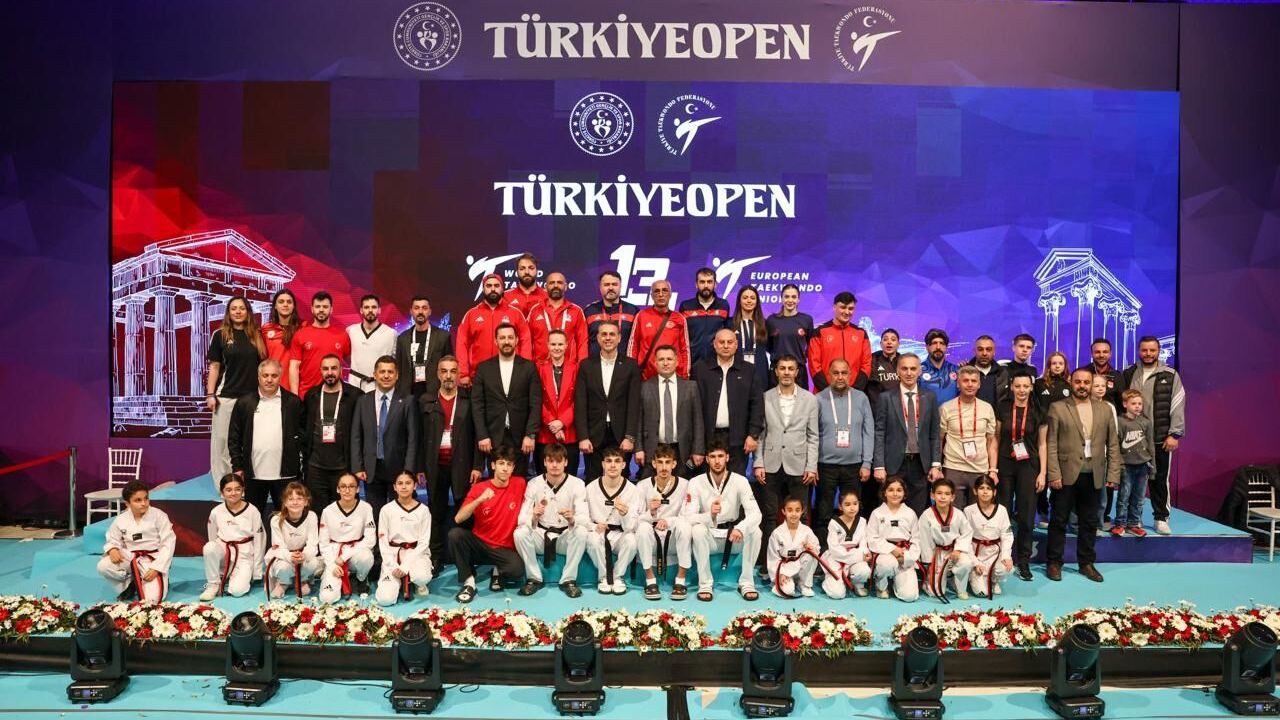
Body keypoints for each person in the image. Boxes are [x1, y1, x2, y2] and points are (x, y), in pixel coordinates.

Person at [1045, 368, 1121, 583]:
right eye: (1078, 381)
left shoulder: (1105, 409)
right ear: (1071, 382)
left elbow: (1113, 444)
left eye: (1086, 382)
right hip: (1065, 474)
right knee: (1058, 520)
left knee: (1089, 522)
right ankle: (1054, 562)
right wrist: (1054, 473)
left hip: (1094, 473)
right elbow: (1051, 443)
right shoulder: (1058, 408)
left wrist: (1113, 473)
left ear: (1092, 384)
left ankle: (1086, 563)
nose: (1082, 386)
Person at [754, 354, 819, 565]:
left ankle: (802, 562)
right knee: (769, 515)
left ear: (797, 372)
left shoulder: (809, 399)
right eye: (782, 368)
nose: (786, 372)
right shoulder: (765, 397)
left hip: (799, 465)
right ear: (776, 371)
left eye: (791, 368)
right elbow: (760, 433)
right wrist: (758, 462)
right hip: (770, 463)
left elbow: (813, 436)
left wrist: (811, 466)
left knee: (801, 515)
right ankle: (768, 563)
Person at [419, 356, 482, 568]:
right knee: (435, 513)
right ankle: (435, 557)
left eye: (453, 371)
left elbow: (478, 434)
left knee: (465, 512)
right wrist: (419, 468)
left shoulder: (468, 399)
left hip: (462, 466)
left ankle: (467, 558)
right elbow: (419, 436)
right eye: (444, 371)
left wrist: (477, 466)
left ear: (459, 374)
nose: (448, 376)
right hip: (435, 466)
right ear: (438, 374)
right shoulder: (426, 400)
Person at [682, 441, 763, 602]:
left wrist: (741, 528)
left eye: (720, 456)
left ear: (727, 458)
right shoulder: (696, 482)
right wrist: (709, 515)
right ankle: (705, 583)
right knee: (697, 530)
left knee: (755, 531)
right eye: (712, 457)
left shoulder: (740, 481)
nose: (717, 461)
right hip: (709, 537)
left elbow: (756, 513)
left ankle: (746, 582)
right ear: (707, 459)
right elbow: (688, 517)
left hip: (733, 536)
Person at [1122, 336, 1185, 536]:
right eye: (1144, 350)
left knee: (1158, 480)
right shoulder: (1129, 373)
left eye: (1152, 350)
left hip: (1160, 438)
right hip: (1133, 439)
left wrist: (1174, 434)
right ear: (1139, 351)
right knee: (1131, 482)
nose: (1148, 354)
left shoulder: (1170, 374)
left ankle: (1161, 518)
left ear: (1158, 351)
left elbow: (1177, 404)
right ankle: (1134, 518)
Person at [228, 359, 305, 518]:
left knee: (288, 521)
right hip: (254, 476)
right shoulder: (244, 402)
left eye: (274, 376)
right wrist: (238, 466)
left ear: (280, 377)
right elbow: (234, 437)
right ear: (259, 377)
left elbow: (304, 436)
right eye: (265, 375)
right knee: (251, 521)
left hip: (286, 476)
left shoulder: (293, 402)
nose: (269, 379)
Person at [450, 445, 527, 603]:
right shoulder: (480, 488)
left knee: (517, 571)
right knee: (455, 535)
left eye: (509, 464)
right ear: (493, 465)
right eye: (501, 463)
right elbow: (458, 519)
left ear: (513, 468)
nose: (505, 468)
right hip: (480, 544)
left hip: (504, 547)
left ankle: (497, 571)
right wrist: (479, 500)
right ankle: (469, 581)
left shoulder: (520, 484)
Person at [513, 442, 589, 598]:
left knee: (581, 531)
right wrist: (533, 516)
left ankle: (568, 580)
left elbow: (585, 519)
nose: (554, 465)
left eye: (559, 461)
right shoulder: (534, 484)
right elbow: (521, 519)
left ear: (566, 462)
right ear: (544, 462)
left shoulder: (577, 484)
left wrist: (572, 519)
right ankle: (534, 578)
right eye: (551, 461)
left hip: (565, 538)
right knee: (519, 533)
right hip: (541, 536)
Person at [873, 353, 944, 514]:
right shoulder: (885, 397)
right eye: (904, 369)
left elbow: (934, 433)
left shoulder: (930, 397)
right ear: (898, 371)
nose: (909, 373)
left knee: (918, 512)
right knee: (890, 512)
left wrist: (935, 464)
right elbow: (879, 433)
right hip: (893, 464)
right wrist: (879, 465)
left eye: (913, 368)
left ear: (920, 371)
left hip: (921, 464)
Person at [207, 296, 268, 483]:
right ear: (228, 312)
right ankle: (224, 484)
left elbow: (263, 366)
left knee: (249, 442)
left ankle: (247, 483)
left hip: (251, 399)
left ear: (248, 312)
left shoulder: (257, 335)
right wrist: (210, 394)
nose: (238, 312)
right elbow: (214, 367)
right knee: (222, 442)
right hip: (226, 397)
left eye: (242, 308)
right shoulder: (220, 335)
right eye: (234, 308)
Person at [351, 356, 418, 517]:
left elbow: (413, 439)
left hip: (399, 471)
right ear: (375, 374)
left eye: (390, 372)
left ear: (397, 375)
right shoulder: (363, 400)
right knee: (375, 515)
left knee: (400, 516)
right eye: (382, 372)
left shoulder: (408, 401)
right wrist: (358, 467)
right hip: (371, 469)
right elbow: (356, 436)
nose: (386, 376)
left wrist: (409, 470)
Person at [994, 373, 1046, 581]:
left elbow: (1043, 444)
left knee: (1026, 515)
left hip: (1029, 466)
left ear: (1031, 388)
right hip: (1005, 464)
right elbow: (996, 439)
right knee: (1003, 514)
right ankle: (1001, 556)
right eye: (1018, 386)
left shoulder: (1039, 411)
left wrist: (1042, 472)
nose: (1022, 390)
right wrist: (993, 469)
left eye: (1026, 386)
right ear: (1012, 387)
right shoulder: (1002, 408)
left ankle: (1024, 560)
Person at [575, 320, 642, 481]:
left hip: (621, 436)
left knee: (621, 481)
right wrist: (583, 437)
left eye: (612, 334)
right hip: (593, 436)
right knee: (592, 481)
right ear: (598, 338)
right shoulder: (586, 365)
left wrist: (630, 437)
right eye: (604, 334)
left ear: (619, 338)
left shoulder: (631, 365)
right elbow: (580, 403)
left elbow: (634, 404)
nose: (608, 338)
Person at [693, 328, 765, 476]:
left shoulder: (749, 370)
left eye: (730, 342)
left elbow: (757, 404)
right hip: (707, 438)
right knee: (707, 483)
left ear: (736, 345)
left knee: (736, 482)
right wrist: (696, 444)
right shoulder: (700, 369)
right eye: (721, 342)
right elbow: (693, 408)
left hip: (738, 440)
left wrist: (753, 435)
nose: (726, 346)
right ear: (714, 344)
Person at [814, 358, 875, 529]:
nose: (840, 377)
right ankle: (823, 545)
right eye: (836, 373)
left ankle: (852, 544)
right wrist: (812, 464)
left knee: (853, 512)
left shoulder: (861, 398)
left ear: (850, 375)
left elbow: (869, 432)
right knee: (823, 512)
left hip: (854, 466)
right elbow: (812, 434)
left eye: (844, 373)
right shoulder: (818, 399)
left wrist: (867, 463)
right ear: (829, 375)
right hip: (825, 466)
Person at [472, 324, 541, 475]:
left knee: (519, 483)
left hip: (521, 439)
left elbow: (535, 404)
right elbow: (477, 405)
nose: (507, 341)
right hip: (492, 438)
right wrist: (482, 435)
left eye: (510, 337)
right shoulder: (483, 368)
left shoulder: (529, 367)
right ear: (496, 341)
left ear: (517, 340)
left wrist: (530, 434)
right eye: (502, 338)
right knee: (496, 482)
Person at [98, 481, 175, 603]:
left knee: (152, 600)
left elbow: (168, 543)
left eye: (146, 498)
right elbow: (112, 538)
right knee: (103, 566)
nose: (144, 503)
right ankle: (130, 583)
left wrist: (157, 568)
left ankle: (161, 579)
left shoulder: (159, 516)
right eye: (138, 500)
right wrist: (112, 549)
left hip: (152, 558)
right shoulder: (121, 519)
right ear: (127, 503)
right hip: (130, 557)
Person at [301, 354, 361, 510]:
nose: (330, 372)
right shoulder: (311, 396)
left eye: (334, 368)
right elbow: (303, 428)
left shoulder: (355, 396)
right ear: (320, 371)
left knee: (344, 513)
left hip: (343, 468)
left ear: (341, 369)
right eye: (325, 369)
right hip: (315, 469)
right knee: (317, 513)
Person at [634, 444, 693, 600]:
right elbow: (636, 519)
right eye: (660, 462)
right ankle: (650, 580)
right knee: (642, 528)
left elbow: (687, 515)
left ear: (674, 464)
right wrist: (651, 513)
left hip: (673, 537)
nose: (664, 467)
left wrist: (668, 521)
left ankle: (680, 580)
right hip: (651, 538)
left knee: (685, 527)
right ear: (654, 464)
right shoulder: (642, 486)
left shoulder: (685, 485)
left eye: (668, 462)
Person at [636, 345, 705, 478]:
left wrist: (698, 450)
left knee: (682, 487)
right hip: (652, 449)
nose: (665, 363)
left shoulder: (690, 387)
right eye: (661, 359)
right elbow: (638, 420)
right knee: (650, 488)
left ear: (677, 361)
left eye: (669, 359)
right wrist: (638, 448)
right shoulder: (644, 387)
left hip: (682, 451)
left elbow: (698, 421)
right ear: (655, 363)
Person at [938, 365, 999, 510]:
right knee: (953, 513)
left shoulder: (987, 408)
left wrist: (993, 470)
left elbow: (991, 441)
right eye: (965, 381)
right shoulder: (946, 408)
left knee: (977, 514)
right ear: (958, 384)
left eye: (973, 381)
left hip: (980, 469)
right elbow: (939, 440)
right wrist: (938, 467)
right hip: (953, 468)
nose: (970, 384)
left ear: (979, 384)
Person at [584, 447, 642, 595]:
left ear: (624, 465)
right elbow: (583, 517)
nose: (613, 465)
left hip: (619, 533)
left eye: (617, 461)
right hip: (598, 532)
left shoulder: (632, 490)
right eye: (609, 461)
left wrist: (625, 513)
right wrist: (594, 526)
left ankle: (617, 577)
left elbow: (632, 526)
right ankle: (604, 577)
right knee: (591, 539)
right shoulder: (591, 488)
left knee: (632, 540)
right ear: (603, 464)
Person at [456, 273, 532, 387]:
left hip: (510, 375)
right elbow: (462, 344)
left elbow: (525, 342)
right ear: (483, 289)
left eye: (496, 286)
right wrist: (463, 373)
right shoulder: (471, 314)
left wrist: (524, 371)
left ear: (502, 288)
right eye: (489, 286)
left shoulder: (516, 313)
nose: (493, 289)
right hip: (478, 376)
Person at [199, 473, 266, 601]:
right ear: (222, 492)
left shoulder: (252, 511)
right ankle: (213, 584)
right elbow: (212, 536)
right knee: (210, 547)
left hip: (244, 554)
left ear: (243, 490)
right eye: (228, 490)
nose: (233, 493)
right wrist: (215, 558)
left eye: (237, 489)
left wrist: (257, 570)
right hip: (224, 551)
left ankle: (239, 577)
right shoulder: (216, 511)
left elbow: (260, 540)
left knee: (237, 591)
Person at [376, 472, 433, 605]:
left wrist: (406, 566)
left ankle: (418, 583)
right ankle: (397, 582)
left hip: (416, 553)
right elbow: (383, 542)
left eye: (408, 483)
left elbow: (424, 542)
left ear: (415, 486)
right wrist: (393, 565)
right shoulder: (386, 509)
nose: (404, 487)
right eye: (400, 483)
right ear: (394, 487)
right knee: (385, 599)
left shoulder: (423, 510)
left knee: (421, 576)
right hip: (393, 554)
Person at [317, 473, 376, 602]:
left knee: (366, 557)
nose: (347, 490)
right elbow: (323, 543)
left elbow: (370, 539)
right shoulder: (328, 511)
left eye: (351, 486)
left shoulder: (366, 508)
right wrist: (332, 565)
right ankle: (334, 576)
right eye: (343, 486)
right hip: (334, 554)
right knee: (327, 598)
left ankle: (361, 578)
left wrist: (344, 557)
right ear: (338, 489)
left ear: (358, 489)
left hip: (355, 552)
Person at [915, 477, 975, 601]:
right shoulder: (926, 515)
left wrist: (958, 549)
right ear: (932, 495)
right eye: (939, 493)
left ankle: (958, 584)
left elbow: (967, 533)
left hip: (955, 552)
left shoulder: (958, 514)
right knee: (935, 592)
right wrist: (928, 562)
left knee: (965, 563)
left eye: (947, 494)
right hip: (937, 554)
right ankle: (932, 581)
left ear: (952, 497)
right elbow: (924, 540)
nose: (943, 497)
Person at [264, 481, 322, 599]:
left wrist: (304, 555)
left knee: (313, 563)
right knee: (283, 567)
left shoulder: (311, 516)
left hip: (302, 553)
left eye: (299, 498)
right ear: (285, 502)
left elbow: (313, 544)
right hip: (284, 555)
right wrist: (290, 556)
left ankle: (302, 579)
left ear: (306, 502)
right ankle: (283, 582)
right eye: (290, 499)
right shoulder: (276, 520)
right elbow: (278, 547)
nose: (295, 502)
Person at [288, 291, 350, 398]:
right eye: (318, 306)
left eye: (325, 307)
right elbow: (294, 367)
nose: (321, 310)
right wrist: (294, 396)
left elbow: (352, 363)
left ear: (331, 309)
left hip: (335, 394)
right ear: (312, 309)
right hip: (306, 395)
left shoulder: (342, 335)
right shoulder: (300, 334)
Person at [867, 477, 920, 601]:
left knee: (909, 596)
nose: (895, 494)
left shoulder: (910, 513)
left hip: (904, 554)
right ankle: (881, 585)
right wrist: (892, 549)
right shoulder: (877, 513)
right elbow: (872, 538)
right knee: (887, 564)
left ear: (904, 493)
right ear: (884, 493)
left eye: (899, 490)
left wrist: (907, 557)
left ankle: (897, 581)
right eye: (890, 490)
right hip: (885, 553)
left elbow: (916, 539)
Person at [808, 291, 872, 392]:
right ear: (834, 307)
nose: (847, 312)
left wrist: (855, 391)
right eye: (843, 307)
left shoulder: (861, 334)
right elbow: (814, 364)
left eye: (851, 308)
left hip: (853, 394)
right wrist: (827, 391)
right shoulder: (819, 332)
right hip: (824, 394)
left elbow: (866, 364)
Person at [1113, 389, 1156, 537]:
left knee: (1139, 498)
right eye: (1134, 403)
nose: (1137, 406)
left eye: (1140, 404)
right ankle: (1120, 524)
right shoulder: (1120, 422)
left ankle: (1134, 524)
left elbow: (1151, 445)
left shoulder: (1146, 422)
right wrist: (1118, 465)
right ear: (1125, 404)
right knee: (1124, 496)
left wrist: (1153, 467)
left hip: (1143, 466)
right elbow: (1116, 445)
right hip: (1126, 466)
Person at [628, 279, 691, 380]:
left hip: (673, 376)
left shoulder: (679, 318)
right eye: (656, 291)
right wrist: (632, 371)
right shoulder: (641, 316)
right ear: (652, 295)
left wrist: (685, 374)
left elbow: (685, 349)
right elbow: (633, 345)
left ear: (670, 294)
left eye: (664, 290)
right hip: (646, 376)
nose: (661, 294)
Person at [536, 329, 580, 474]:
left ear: (567, 345)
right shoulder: (538, 368)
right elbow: (536, 399)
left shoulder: (576, 368)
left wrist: (562, 422)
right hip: (545, 433)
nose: (557, 348)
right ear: (547, 345)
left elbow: (579, 399)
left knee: (570, 478)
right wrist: (552, 423)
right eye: (553, 344)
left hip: (569, 432)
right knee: (544, 479)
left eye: (560, 344)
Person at [395, 295, 452, 399]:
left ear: (430, 311)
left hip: (434, 394)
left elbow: (450, 367)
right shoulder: (402, 338)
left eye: (424, 308)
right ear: (411, 311)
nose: (420, 311)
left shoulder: (443, 336)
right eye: (416, 308)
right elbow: (398, 369)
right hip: (408, 395)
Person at [965, 475, 1014, 598]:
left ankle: (994, 580)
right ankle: (974, 576)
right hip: (977, 553)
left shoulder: (1002, 510)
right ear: (975, 491)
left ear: (994, 492)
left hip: (995, 552)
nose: (985, 491)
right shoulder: (968, 511)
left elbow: (1007, 535)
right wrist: (975, 562)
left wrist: (1006, 556)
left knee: (1005, 568)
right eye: (981, 488)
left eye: (988, 488)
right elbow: (966, 539)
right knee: (981, 593)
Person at [766, 496, 821, 598]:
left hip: (801, 568)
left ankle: (804, 584)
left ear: (802, 511)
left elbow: (817, 549)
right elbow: (773, 557)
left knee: (810, 555)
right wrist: (780, 574)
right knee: (788, 591)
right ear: (783, 511)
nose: (794, 514)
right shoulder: (777, 533)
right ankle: (785, 582)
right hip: (785, 569)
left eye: (797, 510)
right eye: (790, 510)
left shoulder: (807, 531)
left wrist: (811, 548)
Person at [820, 492, 871, 598]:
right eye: (847, 504)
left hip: (856, 557)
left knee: (864, 570)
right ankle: (829, 582)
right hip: (836, 559)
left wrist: (863, 554)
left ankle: (857, 584)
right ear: (840, 506)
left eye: (855, 504)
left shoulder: (862, 522)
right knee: (837, 594)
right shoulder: (834, 523)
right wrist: (859, 556)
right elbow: (834, 550)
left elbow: (863, 545)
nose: (852, 508)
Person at [529, 272, 588, 364]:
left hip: (569, 368)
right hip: (539, 367)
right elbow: (527, 341)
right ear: (545, 287)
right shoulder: (535, 311)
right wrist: (528, 367)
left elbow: (583, 342)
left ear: (566, 287)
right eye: (552, 283)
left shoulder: (576, 311)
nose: (555, 285)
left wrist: (582, 366)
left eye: (559, 283)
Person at [765, 284, 815, 390]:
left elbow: (811, 345)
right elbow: (768, 346)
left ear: (798, 300)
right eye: (786, 296)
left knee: (801, 400)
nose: (790, 300)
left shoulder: (807, 320)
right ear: (781, 299)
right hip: (777, 371)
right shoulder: (772, 320)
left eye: (794, 297)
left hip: (799, 371)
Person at [680, 266, 731, 365]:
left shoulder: (724, 305)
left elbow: (726, 333)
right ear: (696, 284)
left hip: (717, 363)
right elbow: (682, 337)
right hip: (693, 363)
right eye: (702, 282)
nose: (706, 285)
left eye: (709, 282)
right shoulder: (686, 306)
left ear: (715, 284)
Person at [346, 294, 397, 392]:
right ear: (361, 310)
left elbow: (395, 362)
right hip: (355, 384)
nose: (370, 310)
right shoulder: (351, 330)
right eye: (366, 307)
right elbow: (345, 355)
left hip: (380, 385)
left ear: (379, 310)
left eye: (374, 307)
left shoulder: (391, 334)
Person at [584, 270, 639, 356]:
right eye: (606, 284)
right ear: (600, 287)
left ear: (620, 287)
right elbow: (583, 342)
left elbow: (638, 342)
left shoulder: (633, 311)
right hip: (595, 362)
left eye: (614, 284)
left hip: (624, 363)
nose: (610, 288)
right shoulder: (589, 311)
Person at [262, 289, 301, 394]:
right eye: (281, 301)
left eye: (289, 302)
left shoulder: (303, 328)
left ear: (294, 306)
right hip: (273, 386)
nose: (285, 305)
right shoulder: (266, 329)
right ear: (275, 306)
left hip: (297, 387)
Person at [731, 285, 770, 387]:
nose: (749, 301)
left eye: (752, 298)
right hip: (736, 371)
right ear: (739, 301)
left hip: (760, 371)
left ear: (757, 301)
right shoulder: (730, 323)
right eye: (745, 298)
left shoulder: (765, 324)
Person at [1079, 338, 1124, 412]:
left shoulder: (1117, 376)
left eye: (1105, 352)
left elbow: (1122, 403)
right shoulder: (1082, 374)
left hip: (1109, 417)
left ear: (1110, 354)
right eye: (1097, 352)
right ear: (1091, 354)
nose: (1101, 355)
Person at [919, 328, 960, 405]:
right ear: (927, 347)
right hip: (926, 413)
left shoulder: (956, 370)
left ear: (946, 347)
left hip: (951, 413)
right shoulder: (918, 371)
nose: (938, 347)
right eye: (934, 343)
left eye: (942, 343)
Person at [995, 333, 1039, 405]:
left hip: (1027, 410)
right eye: (1021, 346)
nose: (1025, 350)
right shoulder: (1003, 369)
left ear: (1032, 350)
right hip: (1004, 409)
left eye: (1028, 347)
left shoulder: (1033, 370)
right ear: (1013, 348)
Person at [502, 252, 549, 318]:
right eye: (522, 269)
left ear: (537, 270)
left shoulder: (547, 296)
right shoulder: (505, 297)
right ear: (517, 271)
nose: (527, 272)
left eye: (531, 268)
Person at [867, 327, 901, 415]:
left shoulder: (904, 362)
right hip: (878, 410)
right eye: (885, 339)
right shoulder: (872, 360)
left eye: (893, 340)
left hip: (899, 409)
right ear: (881, 344)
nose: (889, 342)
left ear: (898, 344)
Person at [966, 335, 1001, 406]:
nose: (984, 353)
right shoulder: (965, 372)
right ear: (974, 351)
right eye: (980, 349)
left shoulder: (1002, 373)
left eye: (988, 349)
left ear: (994, 352)